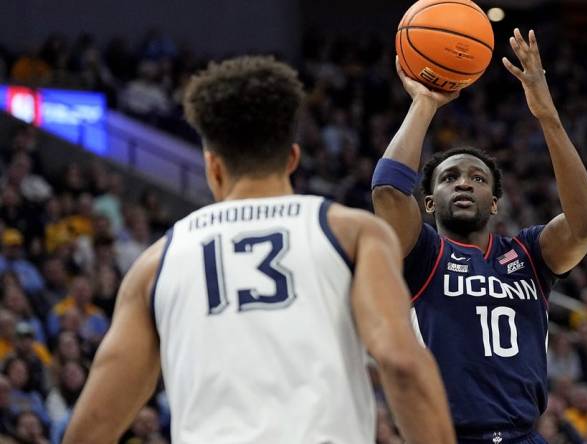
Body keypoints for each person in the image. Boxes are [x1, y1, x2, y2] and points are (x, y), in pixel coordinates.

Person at [64, 56, 454, 443]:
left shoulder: (154, 264)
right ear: (293, 158)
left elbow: (94, 424)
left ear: (212, 167)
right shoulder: (353, 234)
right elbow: (401, 364)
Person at [371, 28, 587, 442]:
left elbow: (584, 225)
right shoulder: (422, 253)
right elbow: (388, 191)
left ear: (494, 203)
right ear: (427, 203)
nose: (463, 183)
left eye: (477, 178)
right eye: (449, 178)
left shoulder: (528, 254)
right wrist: (425, 102)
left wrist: (548, 117)